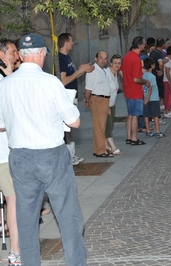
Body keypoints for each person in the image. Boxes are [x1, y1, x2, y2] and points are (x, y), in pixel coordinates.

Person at [0, 33, 86, 265]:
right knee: (68, 216)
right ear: (40, 54)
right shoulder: (50, 83)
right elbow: (75, 121)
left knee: (27, 220)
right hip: (50, 156)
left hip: (19, 157)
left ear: (20, 55)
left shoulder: (4, 84)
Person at [0, 38, 21, 266]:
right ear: (2, 55)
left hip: (7, 151)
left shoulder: (8, 79)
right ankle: (14, 253)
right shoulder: (4, 82)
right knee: (12, 201)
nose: (17, 56)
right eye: (13, 52)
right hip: (3, 154)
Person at [58, 33, 94, 165]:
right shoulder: (60, 59)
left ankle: (71, 154)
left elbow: (71, 76)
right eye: (71, 41)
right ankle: (69, 156)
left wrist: (82, 70)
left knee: (72, 129)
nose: (73, 43)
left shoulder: (67, 58)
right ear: (66, 43)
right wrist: (80, 71)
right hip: (66, 97)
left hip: (72, 96)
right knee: (69, 127)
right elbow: (63, 81)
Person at [121, 36, 151, 146]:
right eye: (143, 44)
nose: (144, 46)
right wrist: (146, 82)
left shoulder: (127, 56)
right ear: (140, 45)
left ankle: (129, 137)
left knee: (130, 114)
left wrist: (126, 81)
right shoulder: (136, 59)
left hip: (127, 89)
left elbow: (122, 72)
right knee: (135, 116)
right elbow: (136, 79)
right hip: (135, 91)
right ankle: (134, 138)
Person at [84, 51, 113, 157]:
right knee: (99, 127)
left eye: (105, 58)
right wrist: (87, 100)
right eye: (101, 58)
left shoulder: (103, 70)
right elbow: (88, 89)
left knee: (100, 126)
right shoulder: (93, 70)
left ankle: (98, 149)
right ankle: (101, 150)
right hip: (98, 100)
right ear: (96, 59)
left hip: (103, 100)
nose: (103, 60)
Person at [143, 57, 165, 138]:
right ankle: (158, 131)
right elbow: (151, 88)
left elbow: (144, 87)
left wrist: (145, 98)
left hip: (145, 98)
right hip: (153, 98)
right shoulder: (152, 76)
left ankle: (148, 131)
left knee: (147, 115)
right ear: (152, 65)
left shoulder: (144, 75)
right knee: (156, 115)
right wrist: (148, 98)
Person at [105, 54, 122, 155]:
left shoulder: (116, 73)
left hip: (113, 103)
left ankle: (106, 145)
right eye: (115, 63)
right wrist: (107, 106)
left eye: (119, 63)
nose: (117, 65)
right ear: (111, 63)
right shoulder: (107, 74)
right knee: (108, 125)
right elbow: (105, 90)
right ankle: (113, 146)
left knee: (109, 125)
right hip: (106, 103)